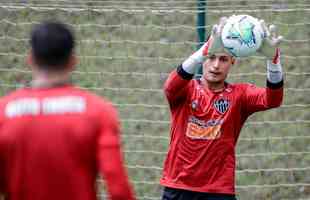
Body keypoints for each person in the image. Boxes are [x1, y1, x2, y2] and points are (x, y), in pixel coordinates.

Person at [0, 21, 135, 200]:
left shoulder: (3, 112)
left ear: (30, 59)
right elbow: (118, 190)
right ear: (73, 61)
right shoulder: (98, 111)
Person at [160, 17, 284, 200]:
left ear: (232, 62)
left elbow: (273, 99)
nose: (216, 65)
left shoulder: (239, 95)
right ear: (204, 59)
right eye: (211, 57)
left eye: (223, 59)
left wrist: (273, 61)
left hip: (218, 191)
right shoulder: (186, 91)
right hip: (178, 186)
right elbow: (170, 86)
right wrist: (205, 49)